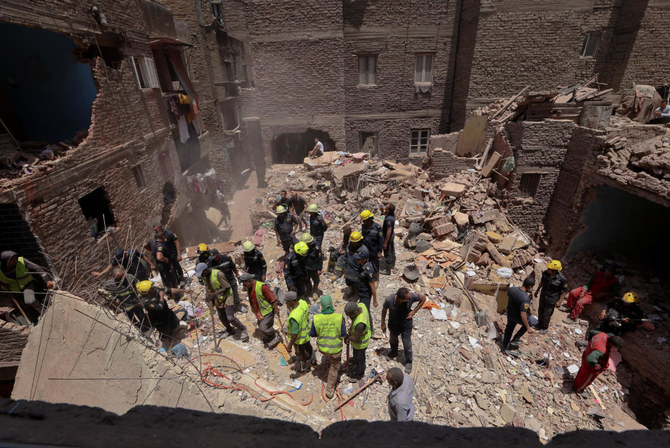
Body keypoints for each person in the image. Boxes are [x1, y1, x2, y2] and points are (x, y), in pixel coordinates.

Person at [196, 263, 248, 342]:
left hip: (228, 296)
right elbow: (210, 288)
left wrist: (214, 294)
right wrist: (211, 299)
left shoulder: (218, 274)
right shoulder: (206, 277)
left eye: (202, 273)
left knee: (230, 317)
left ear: (206, 270)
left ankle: (243, 328)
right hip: (218, 298)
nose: (202, 276)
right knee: (222, 317)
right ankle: (230, 330)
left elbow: (227, 287)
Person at [0, 250, 54, 323]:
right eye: (12, 260)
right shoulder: (1, 269)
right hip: (13, 289)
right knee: (22, 306)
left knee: (30, 300)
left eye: (15, 258)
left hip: (26, 284)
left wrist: (47, 280)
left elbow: (37, 268)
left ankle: (43, 312)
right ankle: (33, 319)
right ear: (6, 261)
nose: (15, 260)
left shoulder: (21, 261)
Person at [381, 288, 426, 373]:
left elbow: (423, 298)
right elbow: (384, 310)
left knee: (407, 343)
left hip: (406, 324)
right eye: (407, 299)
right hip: (393, 324)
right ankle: (394, 352)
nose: (410, 300)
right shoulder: (389, 300)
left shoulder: (411, 296)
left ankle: (409, 361)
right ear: (400, 299)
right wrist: (382, 322)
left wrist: (414, 312)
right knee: (393, 340)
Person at [310, 295, 346, 399]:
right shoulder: (339, 318)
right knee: (334, 368)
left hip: (323, 349)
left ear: (321, 306)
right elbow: (343, 334)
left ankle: (326, 363)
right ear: (331, 305)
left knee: (329, 358)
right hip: (335, 350)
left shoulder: (316, 318)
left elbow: (312, 334)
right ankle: (330, 391)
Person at [135, 280, 188, 345]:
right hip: (159, 321)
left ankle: (174, 335)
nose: (154, 288)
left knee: (175, 324)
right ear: (147, 292)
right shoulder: (145, 301)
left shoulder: (155, 290)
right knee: (164, 335)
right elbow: (159, 308)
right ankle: (167, 346)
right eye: (151, 288)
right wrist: (162, 297)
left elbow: (170, 290)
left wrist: (184, 291)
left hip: (167, 313)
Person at [240, 273, 281, 348]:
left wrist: (276, 308)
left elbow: (272, 298)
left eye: (245, 283)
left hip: (267, 310)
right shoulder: (249, 287)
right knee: (261, 325)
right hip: (259, 312)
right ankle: (269, 337)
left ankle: (275, 334)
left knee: (263, 327)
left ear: (249, 281)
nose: (244, 285)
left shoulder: (262, 287)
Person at [104, 268, 150, 332]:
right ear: (114, 277)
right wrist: (114, 298)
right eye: (119, 278)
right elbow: (105, 293)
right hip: (126, 306)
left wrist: (140, 298)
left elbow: (140, 287)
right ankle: (140, 330)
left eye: (122, 276)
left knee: (142, 317)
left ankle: (147, 329)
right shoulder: (110, 284)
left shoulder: (130, 277)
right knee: (133, 320)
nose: (121, 279)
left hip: (136, 302)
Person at [282, 291, 314, 379]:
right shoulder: (303, 303)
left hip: (299, 339)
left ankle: (302, 370)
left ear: (291, 301)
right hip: (306, 333)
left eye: (287, 302)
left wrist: (289, 346)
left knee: (300, 355)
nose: (287, 304)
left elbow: (294, 334)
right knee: (308, 348)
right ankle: (312, 360)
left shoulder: (294, 316)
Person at [501, 276, 536, 353]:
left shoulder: (512, 289)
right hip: (518, 317)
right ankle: (515, 340)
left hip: (510, 314)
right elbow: (523, 314)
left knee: (509, 329)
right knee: (531, 322)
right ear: (530, 286)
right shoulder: (525, 298)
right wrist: (528, 328)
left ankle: (504, 346)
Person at [535, 260, 568, 333]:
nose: (548, 269)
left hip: (552, 299)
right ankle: (539, 324)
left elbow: (565, 291)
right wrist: (537, 291)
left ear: (554, 271)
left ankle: (544, 327)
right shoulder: (545, 273)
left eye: (549, 269)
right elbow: (542, 282)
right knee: (540, 310)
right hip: (543, 296)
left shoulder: (562, 279)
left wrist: (559, 301)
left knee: (547, 314)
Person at [344, 301, 371, 381]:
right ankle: (355, 360)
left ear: (355, 312)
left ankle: (359, 374)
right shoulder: (361, 305)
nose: (350, 317)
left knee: (360, 358)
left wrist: (348, 337)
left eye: (350, 315)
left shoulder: (360, 324)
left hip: (360, 344)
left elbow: (356, 339)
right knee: (357, 356)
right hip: (358, 341)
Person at [354, 252, 378, 332]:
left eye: (359, 259)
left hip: (366, 294)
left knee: (366, 311)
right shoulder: (361, 266)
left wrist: (375, 300)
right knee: (362, 309)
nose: (357, 260)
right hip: (361, 292)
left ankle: (371, 330)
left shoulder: (368, 270)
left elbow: (373, 287)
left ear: (364, 260)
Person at [343, 231, 369, 299]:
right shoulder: (349, 246)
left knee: (357, 284)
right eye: (352, 241)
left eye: (354, 242)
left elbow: (365, 264)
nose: (352, 243)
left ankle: (356, 294)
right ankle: (351, 290)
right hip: (348, 270)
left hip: (357, 272)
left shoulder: (363, 250)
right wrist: (344, 267)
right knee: (348, 282)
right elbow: (345, 257)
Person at [360, 209, 383, 275]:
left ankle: (376, 277)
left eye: (364, 220)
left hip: (374, 249)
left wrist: (379, 251)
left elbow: (381, 239)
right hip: (365, 249)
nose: (363, 222)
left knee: (375, 265)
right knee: (364, 264)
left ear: (369, 219)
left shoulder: (377, 227)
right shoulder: (363, 226)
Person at [302, 233, 322, 299]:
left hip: (314, 268)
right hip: (306, 268)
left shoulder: (316, 248)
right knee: (306, 280)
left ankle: (315, 291)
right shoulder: (302, 247)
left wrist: (319, 269)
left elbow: (319, 259)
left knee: (316, 280)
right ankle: (309, 290)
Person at [380, 203, 396, 275]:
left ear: (389, 210)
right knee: (392, 249)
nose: (385, 208)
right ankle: (392, 263)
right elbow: (384, 211)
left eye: (386, 208)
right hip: (392, 235)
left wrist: (385, 242)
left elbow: (388, 231)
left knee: (387, 252)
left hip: (388, 236)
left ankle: (388, 270)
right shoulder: (392, 214)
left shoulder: (389, 219)